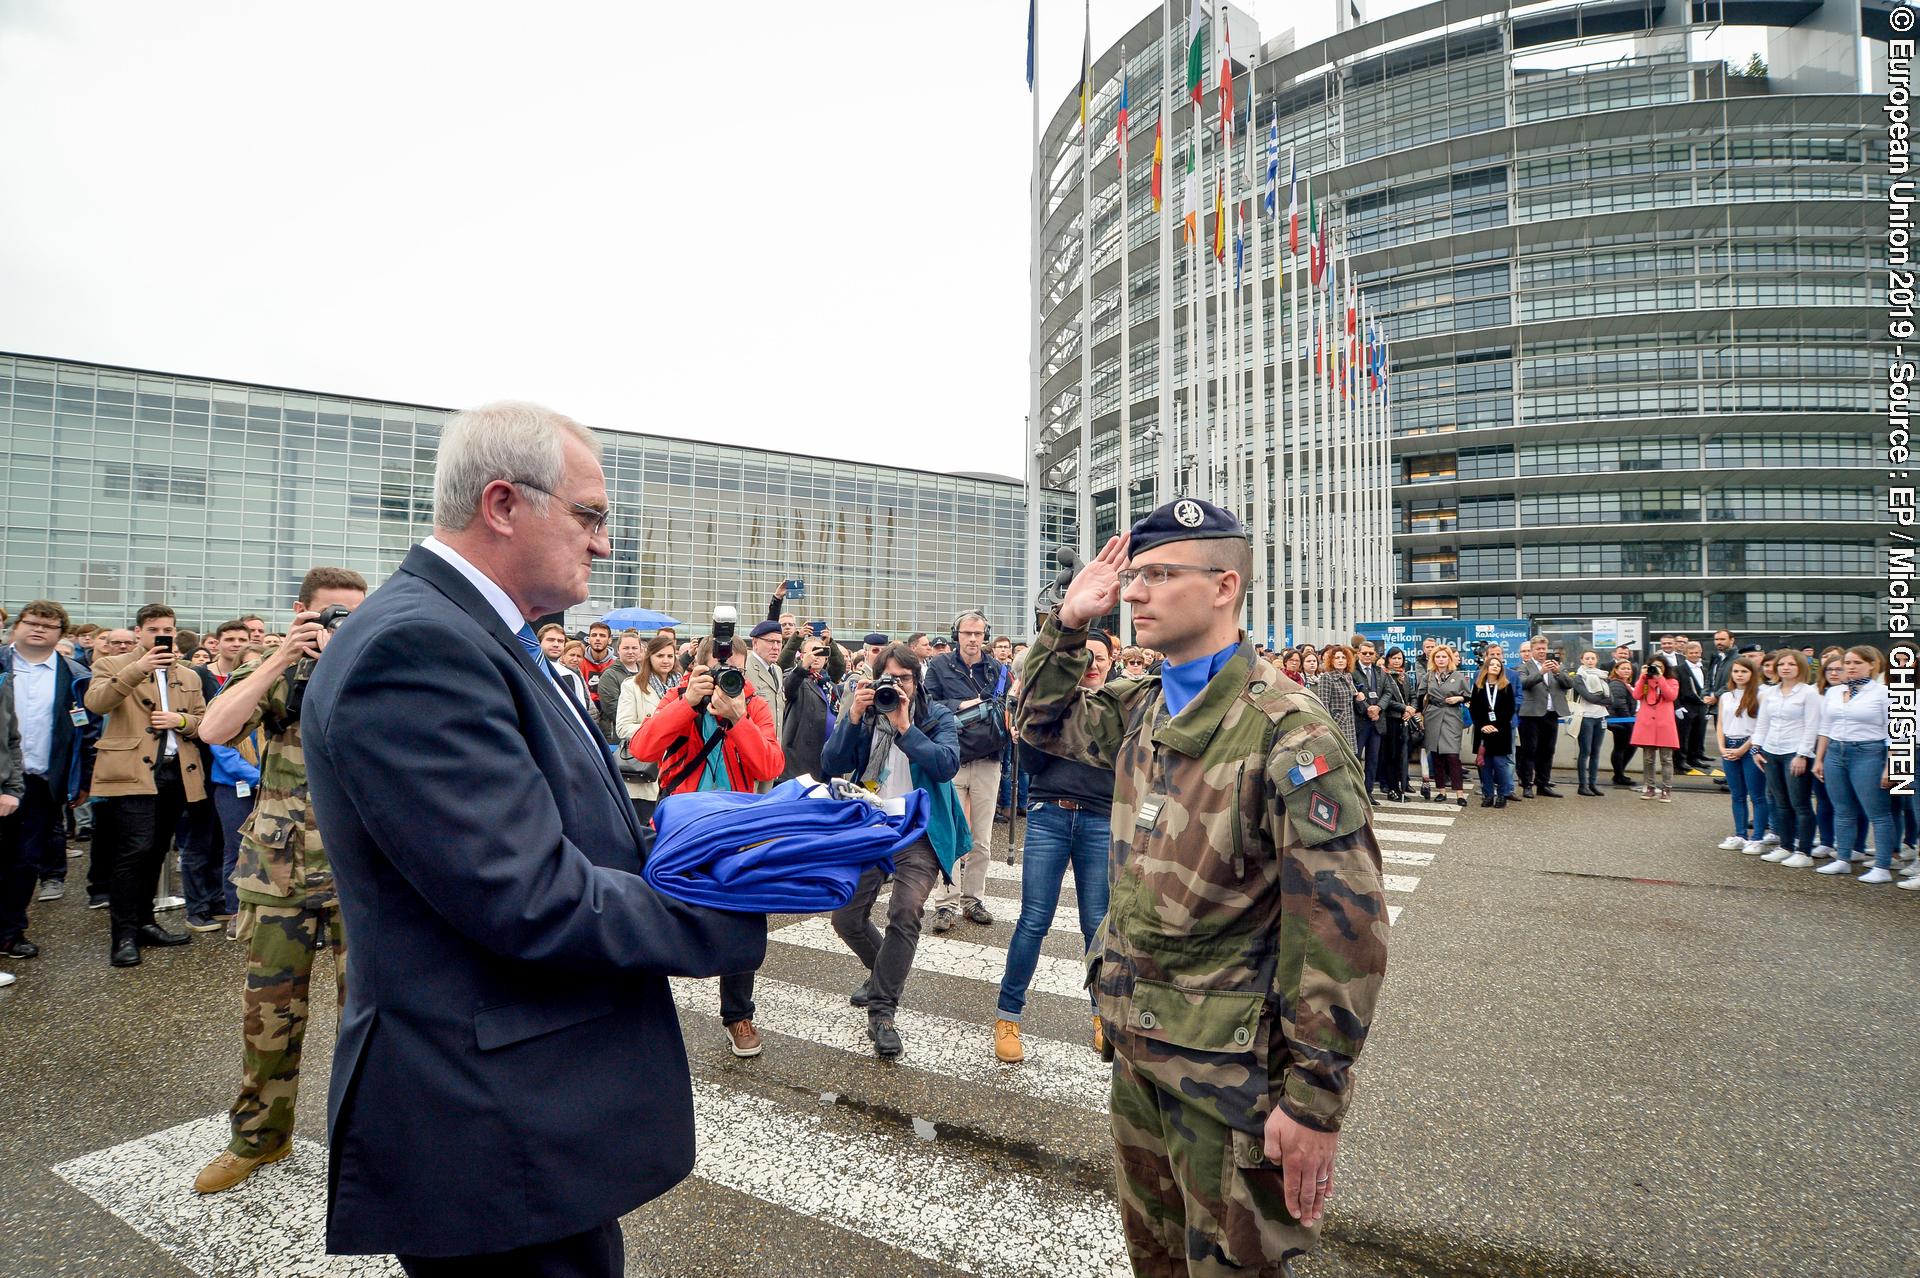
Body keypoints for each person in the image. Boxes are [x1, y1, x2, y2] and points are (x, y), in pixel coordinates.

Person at [300, 401, 766, 1274]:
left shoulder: (478, 636)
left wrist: (738, 837)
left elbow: (585, 829)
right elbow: (532, 894)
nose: (604, 543)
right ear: (504, 504)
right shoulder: (416, 649)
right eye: (590, 516)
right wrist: (738, 909)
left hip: (525, 1104)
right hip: (490, 1125)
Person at [1018, 498, 1388, 1275]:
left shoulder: (1291, 732)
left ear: (1224, 587)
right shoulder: (1143, 704)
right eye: (1132, 576)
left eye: (1158, 575)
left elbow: (1340, 931)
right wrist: (1068, 623)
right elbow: (1039, 723)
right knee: (1153, 1263)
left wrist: (1315, 1100)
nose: (1134, 592)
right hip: (1139, 1050)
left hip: (1231, 1085)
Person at [189, 567, 369, 1196]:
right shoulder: (274, 667)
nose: (340, 626)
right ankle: (258, 1139)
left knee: (370, 1019)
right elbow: (214, 729)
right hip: (279, 869)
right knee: (270, 1019)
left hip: (359, 873)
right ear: (301, 613)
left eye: (354, 614)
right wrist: (281, 657)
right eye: (329, 615)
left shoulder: (373, 666)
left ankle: (370, 1147)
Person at [630, 633, 783, 1057]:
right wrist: (686, 704)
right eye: (718, 672)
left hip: (736, 825)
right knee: (657, 913)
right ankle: (642, 1009)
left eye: (734, 671)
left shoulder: (753, 705)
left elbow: (770, 764)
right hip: (682, 823)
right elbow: (642, 748)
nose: (725, 680)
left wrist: (737, 720)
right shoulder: (680, 697)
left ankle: (738, 1014)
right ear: (698, 668)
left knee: (744, 915)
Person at [820, 643, 968, 1058]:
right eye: (888, 679)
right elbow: (831, 763)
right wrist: (851, 716)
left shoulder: (935, 715)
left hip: (918, 829)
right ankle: (882, 972)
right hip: (870, 823)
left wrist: (905, 726)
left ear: (916, 681)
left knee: (905, 911)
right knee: (846, 918)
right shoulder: (865, 715)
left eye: (903, 678)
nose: (895, 686)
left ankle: (882, 1011)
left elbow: (945, 765)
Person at [993, 629, 1115, 1064]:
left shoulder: (1120, 707)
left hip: (1101, 820)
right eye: (1086, 658)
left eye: (1101, 658)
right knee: (1034, 920)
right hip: (1050, 816)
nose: (1094, 665)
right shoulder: (1053, 704)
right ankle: (1008, 1015)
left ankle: (1105, 1015)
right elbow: (1034, 764)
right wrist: (1033, 714)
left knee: (1097, 925)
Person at [85, 602, 209, 968]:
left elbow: (204, 721)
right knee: (134, 850)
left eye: (167, 629)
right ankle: (122, 935)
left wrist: (181, 719)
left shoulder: (188, 675)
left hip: (176, 771)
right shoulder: (112, 665)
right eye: (154, 629)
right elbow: (96, 703)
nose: (161, 635)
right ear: (139, 631)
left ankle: (145, 922)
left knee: (157, 851)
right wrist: (137, 669)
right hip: (132, 771)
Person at [1, 602, 96, 922]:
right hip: (2, 777)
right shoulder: (2, 664)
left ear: (60, 633)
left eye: (49, 625)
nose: (39, 629)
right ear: (17, 627)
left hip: (43, 781)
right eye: (32, 623)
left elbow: (88, 734)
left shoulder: (76, 676)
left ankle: (11, 932)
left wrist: (83, 781)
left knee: (26, 860)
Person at [924, 611, 1008, 934]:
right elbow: (928, 703)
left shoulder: (997, 669)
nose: (973, 639)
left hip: (988, 758)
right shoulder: (940, 666)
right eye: (966, 633)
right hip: (953, 758)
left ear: (985, 635)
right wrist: (960, 704)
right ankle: (945, 904)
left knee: (981, 839)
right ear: (956, 634)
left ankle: (973, 899)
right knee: (949, 833)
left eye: (978, 633)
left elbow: (1009, 705)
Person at [1812, 646, 1898, 883]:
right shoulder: (1834, 692)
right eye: (1847, 662)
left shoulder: (1883, 692)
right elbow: (1825, 728)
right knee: (1843, 809)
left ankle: (1882, 865)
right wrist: (1819, 759)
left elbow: (1895, 732)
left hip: (1869, 752)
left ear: (1872, 665)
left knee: (1878, 812)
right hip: (1836, 753)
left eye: (1857, 663)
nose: (1850, 667)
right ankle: (1843, 859)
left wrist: (1891, 765)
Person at [1752, 649, 1820, 867]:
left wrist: (1802, 755)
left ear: (1800, 666)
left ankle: (1804, 852)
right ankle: (1786, 846)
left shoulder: (1808, 693)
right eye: (1781, 664)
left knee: (1800, 803)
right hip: (1771, 751)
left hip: (1795, 752)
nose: (1785, 668)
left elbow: (1812, 726)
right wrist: (1756, 749)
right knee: (1780, 803)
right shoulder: (1769, 693)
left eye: (1791, 664)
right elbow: (1762, 724)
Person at [612, 636, 677, 826]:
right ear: (649, 657)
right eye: (660, 656)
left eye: (670, 656)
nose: (666, 660)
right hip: (645, 769)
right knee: (643, 829)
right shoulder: (632, 685)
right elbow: (623, 726)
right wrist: (658, 731)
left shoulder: (684, 686)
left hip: (675, 768)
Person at [1714, 655, 1769, 855]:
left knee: (1757, 795)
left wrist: (1743, 749)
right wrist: (1722, 747)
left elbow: (1762, 727)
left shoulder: (1761, 695)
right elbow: (1720, 724)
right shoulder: (1726, 696)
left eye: (1744, 671)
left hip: (1750, 748)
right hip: (1729, 746)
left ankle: (1757, 838)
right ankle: (1740, 835)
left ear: (1752, 673)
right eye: (1736, 671)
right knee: (1737, 795)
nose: (1739, 675)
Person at [778, 634, 838, 783]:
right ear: (802, 656)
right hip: (800, 760)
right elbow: (788, 689)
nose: (816, 657)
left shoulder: (830, 686)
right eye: (811, 652)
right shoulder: (796, 677)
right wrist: (803, 667)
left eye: (820, 652)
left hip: (826, 759)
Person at [1516, 638, 1570, 799]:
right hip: (1530, 715)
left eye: (1544, 648)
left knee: (1548, 751)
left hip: (1551, 714)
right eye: (1538, 648)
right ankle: (1527, 785)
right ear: (1532, 650)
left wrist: (1557, 672)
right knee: (1529, 750)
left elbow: (1568, 684)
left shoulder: (1556, 666)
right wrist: (1541, 673)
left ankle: (1543, 784)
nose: (1541, 651)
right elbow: (1522, 683)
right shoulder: (1524, 667)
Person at [1418, 646, 1471, 808]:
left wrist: (1458, 699)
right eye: (1438, 657)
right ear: (1433, 659)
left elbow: (1468, 696)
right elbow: (1421, 695)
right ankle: (1441, 791)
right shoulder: (1429, 676)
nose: (1441, 659)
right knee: (1436, 755)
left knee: (1452, 756)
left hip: (1451, 715)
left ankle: (1459, 793)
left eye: (1444, 656)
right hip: (1433, 715)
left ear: (1449, 659)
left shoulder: (1458, 676)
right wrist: (1420, 714)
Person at [1469, 643, 1517, 808]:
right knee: (1485, 765)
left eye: (1498, 665)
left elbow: (1510, 709)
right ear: (1486, 667)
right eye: (1492, 664)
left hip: (1501, 732)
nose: (1495, 667)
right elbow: (1474, 709)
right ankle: (1488, 794)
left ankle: (1502, 794)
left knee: (1500, 764)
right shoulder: (1478, 687)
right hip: (1483, 731)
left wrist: (1496, 725)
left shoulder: (1506, 686)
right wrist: (1483, 725)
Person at [1631, 655, 1681, 802]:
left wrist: (1660, 678)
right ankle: (1650, 787)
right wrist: (1642, 677)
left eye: (1660, 666)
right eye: (1654, 666)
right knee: (1648, 759)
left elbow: (1671, 696)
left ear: (1665, 668)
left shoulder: (1672, 681)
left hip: (1664, 724)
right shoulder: (1645, 681)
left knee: (1666, 759)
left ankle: (1666, 790)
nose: (1656, 669)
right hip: (1647, 724)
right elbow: (1636, 695)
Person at [1568, 650, 1611, 797]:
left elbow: (1611, 699)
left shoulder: (1603, 675)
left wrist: (1601, 700)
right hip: (1586, 716)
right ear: (1582, 660)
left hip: (1601, 716)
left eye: (1593, 658)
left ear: (1597, 660)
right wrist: (1602, 700)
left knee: (1596, 752)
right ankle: (1582, 785)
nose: (1590, 661)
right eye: (1587, 658)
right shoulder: (1579, 677)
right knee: (1585, 751)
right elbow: (1588, 696)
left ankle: (1593, 784)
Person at [1313, 644, 1360, 752]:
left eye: (1343, 658)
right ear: (1331, 660)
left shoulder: (1348, 676)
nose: (1340, 660)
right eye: (1337, 658)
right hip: (1336, 723)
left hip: (1350, 723)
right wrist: (1330, 725)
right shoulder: (1327, 677)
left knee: (1349, 755)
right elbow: (1324, 704)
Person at [1604, 658, 1640, 787]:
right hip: (1620, 721)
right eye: (1623, 668)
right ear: (1616, 670)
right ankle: (1618, 775)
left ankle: (1620, 773)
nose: (1626, 671)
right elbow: (1620, 705)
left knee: (1629, 747)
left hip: (1627, 720)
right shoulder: (1616, 684)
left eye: (1628, 669)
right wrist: (1630, 724)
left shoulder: (1626, 683)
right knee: (1620, 748)